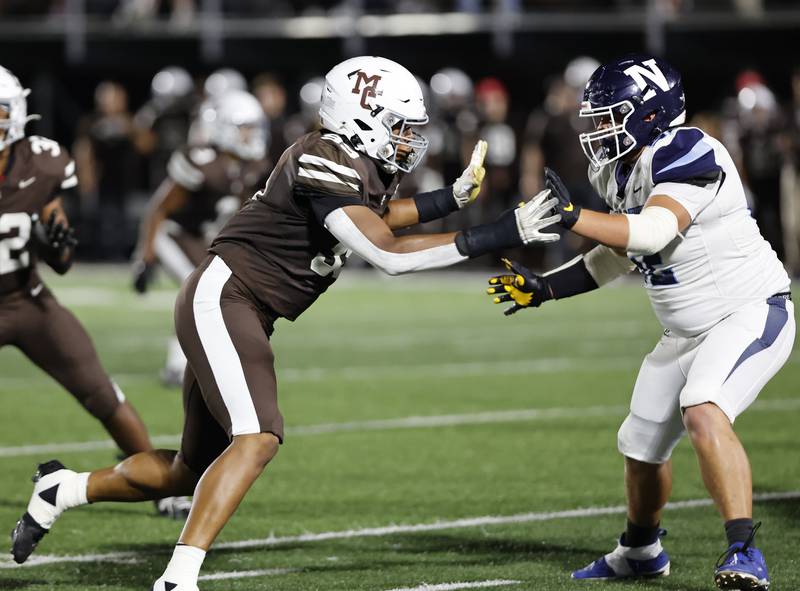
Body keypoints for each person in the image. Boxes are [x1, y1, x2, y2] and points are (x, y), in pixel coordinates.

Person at [10, 55, 561, 591]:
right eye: (397, 128)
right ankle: (178, 578)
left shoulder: (353, 163)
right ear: (359, 119)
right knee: (257, 438)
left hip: (241, 304)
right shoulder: (322, 157)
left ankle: (64, 489)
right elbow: (386, 251)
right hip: (227, 297)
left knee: (188, 469)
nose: (407, 141)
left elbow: (377, 213)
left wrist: (451, 199)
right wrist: (501, 231)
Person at [486, 55, 793, 591]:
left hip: (747, 311)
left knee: (703, 410)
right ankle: (640, 550)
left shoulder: (687, 147)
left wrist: (574, 217)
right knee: (642, 440)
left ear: (650, 113)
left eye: (611, 115)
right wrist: (546, 289)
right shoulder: (621, 168)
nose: (598, 128)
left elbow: (650, 232)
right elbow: (618, 255)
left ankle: (744, 551)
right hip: (684, 330)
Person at [0, 66, 188, 524]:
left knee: (102, 394)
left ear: (17, 114)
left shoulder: (42, 162)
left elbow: (59, 257)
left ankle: (160, 483)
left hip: (29, 301)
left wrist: (56, 242)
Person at [132, 89, 271, 386]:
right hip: (172, 234)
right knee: (197, 289)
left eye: (253, 128)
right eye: (244, 128)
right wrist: (145, 258)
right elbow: (159, 210)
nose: (250, 135)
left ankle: (204, 361)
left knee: (217, 292)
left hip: (203, 238)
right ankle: (175, 366)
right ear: (225, 128)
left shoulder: (252, 166)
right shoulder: (202, 161)